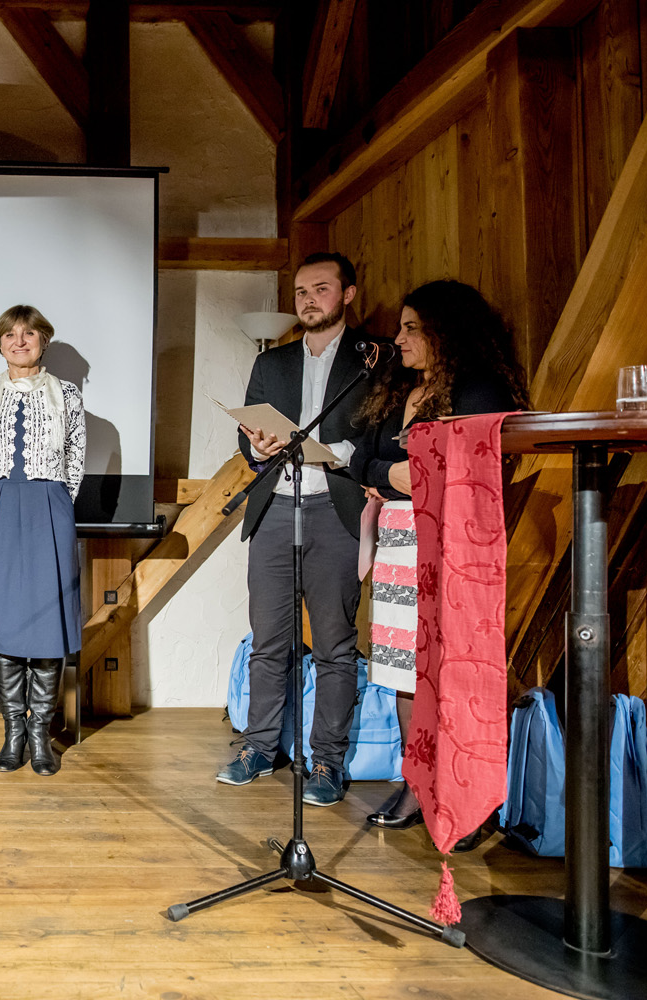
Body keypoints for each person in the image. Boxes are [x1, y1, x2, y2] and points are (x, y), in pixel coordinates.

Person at [355, 279, 528, 844]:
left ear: (445, 332)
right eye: (400, 327)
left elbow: (473, 466)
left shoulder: (478, 389)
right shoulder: (398, 390)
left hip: (452, 546)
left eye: (412, 328)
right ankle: (416, 782)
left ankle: (467, 795)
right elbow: (362, 460)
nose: (399, 339)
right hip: (399, 546)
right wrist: (392, 474)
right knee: (402, 669)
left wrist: (403, 476)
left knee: (452, 667)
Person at [218, 251, 374, 807]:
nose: (309, 300)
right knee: (268, 641)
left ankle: (327, 761)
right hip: (276, 508)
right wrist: (259, 448)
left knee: (334, 644)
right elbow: (248, 437)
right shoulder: (273, 363)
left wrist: (335, 452)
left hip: (335, 509)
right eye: (302, 291)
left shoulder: (372, 358)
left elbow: (381, 436)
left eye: (321, 289)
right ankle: (259, 747)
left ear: (347, 294)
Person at [0, 305, 84, 776]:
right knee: (9, 624)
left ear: (43, 340)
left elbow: (75, 458)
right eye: (10, 335)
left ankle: (40, 736)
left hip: (49, 508)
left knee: (49, 623)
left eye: (29, 334)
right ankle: (13, 732)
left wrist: (55, 505)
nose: (19, 341)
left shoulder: (67, 395)